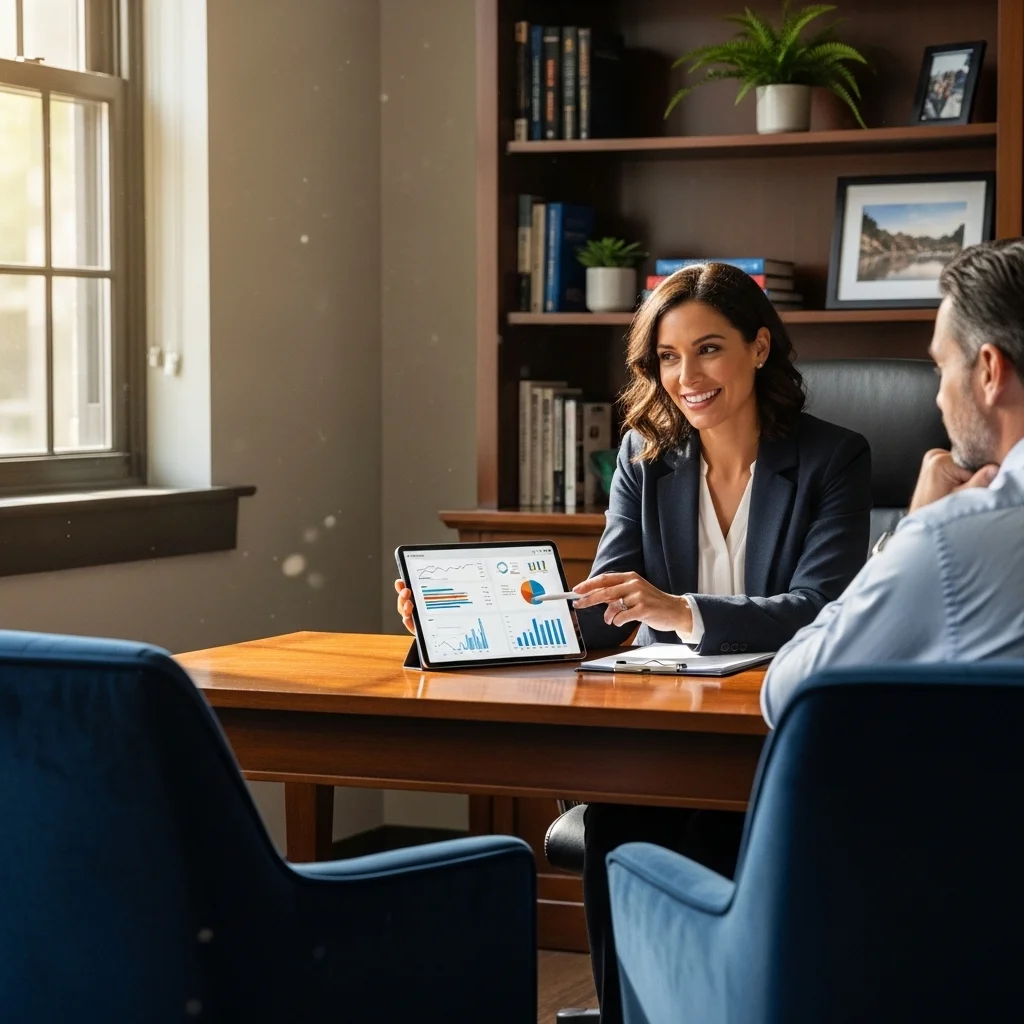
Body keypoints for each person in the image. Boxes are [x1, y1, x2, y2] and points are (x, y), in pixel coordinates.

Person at [395, 262, 872, 1024]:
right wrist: (454, 624)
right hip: (664, 724)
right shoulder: (645, 458)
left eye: (709, 349)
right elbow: (605, 606)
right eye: (668, 357)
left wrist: (682, 610)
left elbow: (822, 609)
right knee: (621, 815)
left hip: (775, 729)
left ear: (759, 347)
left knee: (712, 827)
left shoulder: (833, 458)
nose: (688, 376)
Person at [762, 238, 1024, 727]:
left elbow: (789, 693)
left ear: (989, 370)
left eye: (941, 366)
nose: (939, 396)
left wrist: (909, 533)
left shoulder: (949, 538)